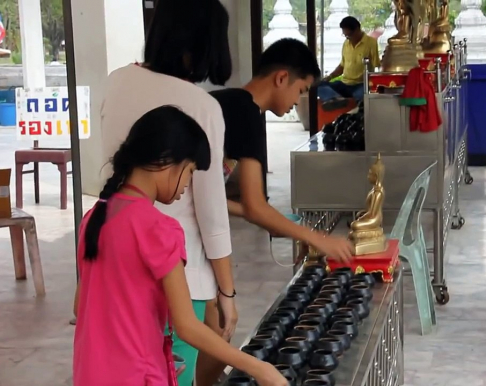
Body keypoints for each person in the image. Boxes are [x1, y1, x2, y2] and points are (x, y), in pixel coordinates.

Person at [72, 106, 287, 386]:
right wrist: (258, 368)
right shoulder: (159, 229)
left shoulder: (94, 218)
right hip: (137, 376)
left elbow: (81, 307)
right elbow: (187, 326)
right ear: (166, 162)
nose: (187, 184)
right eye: (189, 171)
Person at [198, 38, 355, 386]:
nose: (299, 100)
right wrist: (315, 237)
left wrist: (284, 226)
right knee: (218, 326)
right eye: (301, 90)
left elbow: (208, 196)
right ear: (281, 78)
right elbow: (256, 206)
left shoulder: (225, 102)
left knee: (213, 329)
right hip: (180, 240)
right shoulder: (246, 113)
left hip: (173, 224)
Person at [98, 1, 237, 384]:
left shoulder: (116, 82)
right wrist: (227, 292)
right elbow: (211, 215)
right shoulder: (202, 106)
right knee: (176, 372)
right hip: (180, 273)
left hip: (117, 264)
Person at [318, 16, 381, 104]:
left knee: (361, 97)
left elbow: (376, 66)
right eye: (345, 35)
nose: (348, 38)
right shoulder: (346, 44)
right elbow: (342, 66)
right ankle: (336, 99)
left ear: (357, 29)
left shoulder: (371, 43)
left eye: (350, 35)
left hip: (361, 84)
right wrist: (329, 77)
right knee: (317, 85)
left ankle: (341, 103)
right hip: (344, 84)